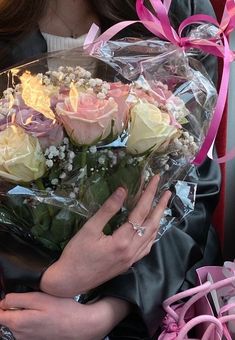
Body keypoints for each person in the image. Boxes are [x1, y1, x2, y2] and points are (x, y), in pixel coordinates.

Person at [0, 0, 222, 339]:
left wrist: (107, 312)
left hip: (150, 288)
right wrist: (51, 278)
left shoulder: (176, 9)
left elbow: (193, 188)